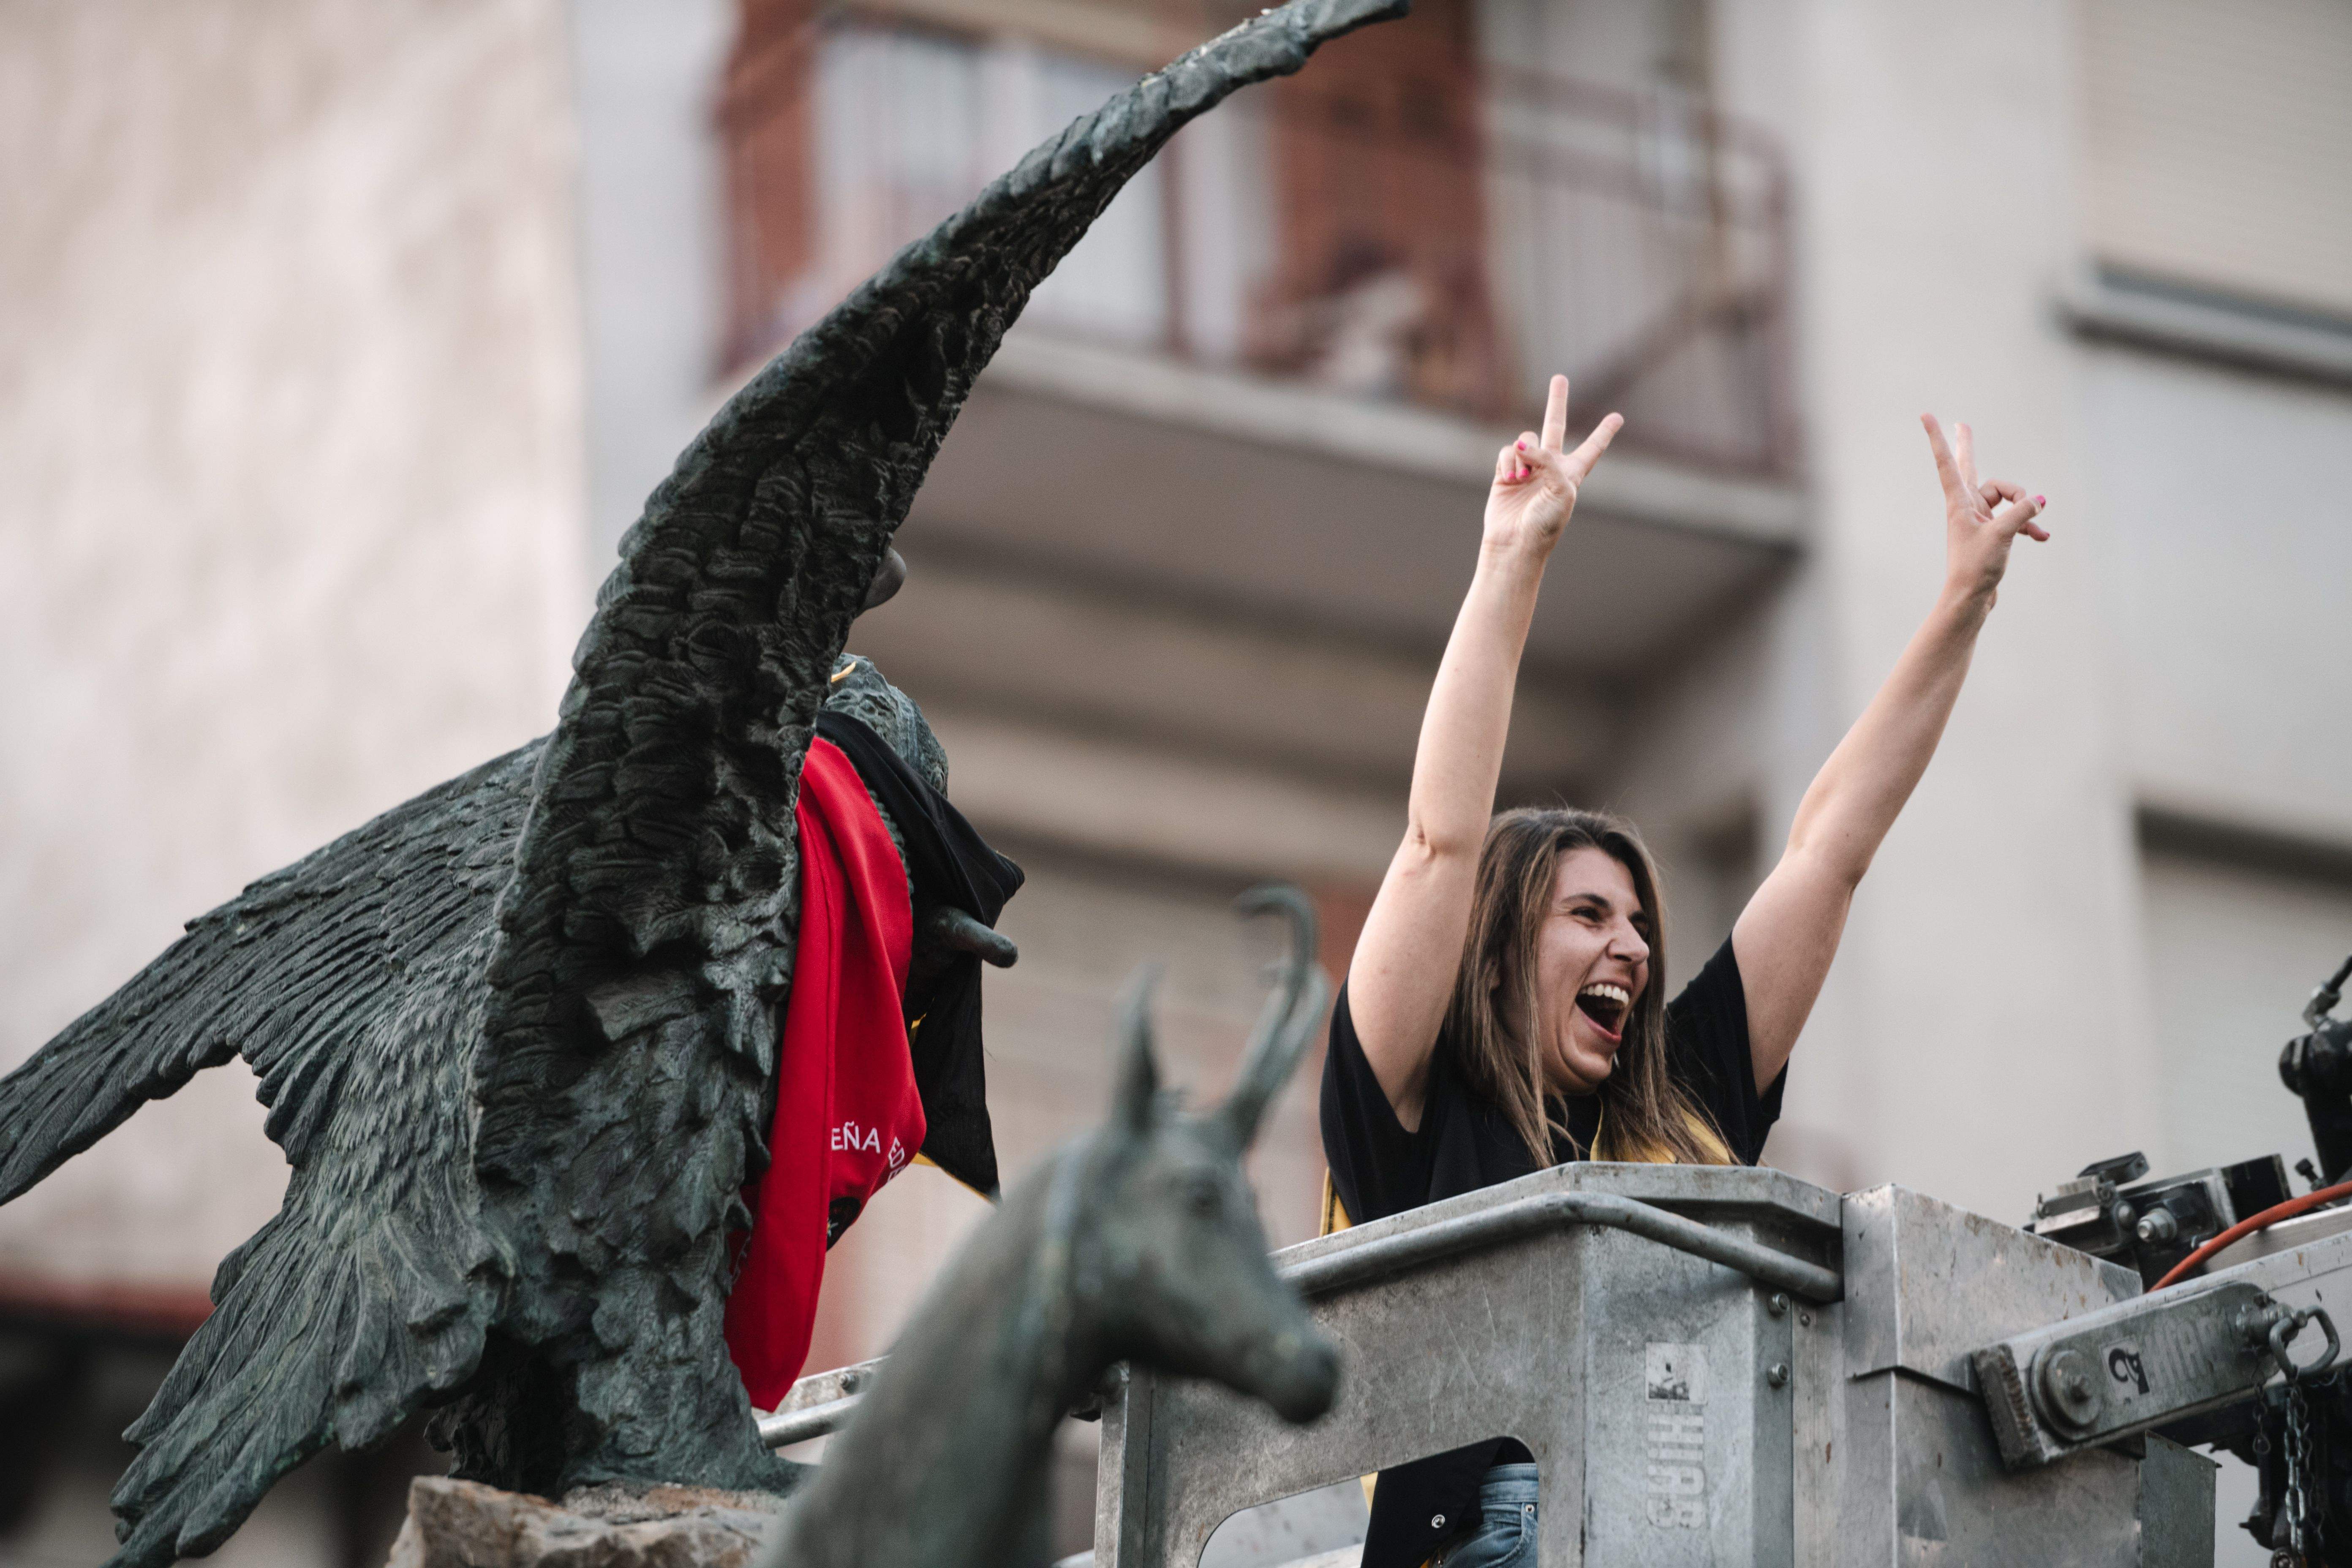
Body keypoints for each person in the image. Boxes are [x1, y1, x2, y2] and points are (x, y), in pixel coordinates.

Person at [1320, 374, 2049, 1568]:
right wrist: (1512, 560)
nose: (1634, 947)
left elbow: (1827, 851)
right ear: (1494, 958)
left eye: (1640, 923)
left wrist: (1965, 596)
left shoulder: (1682, 1103)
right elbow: (1439, 842)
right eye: (1588, 915)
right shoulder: (1413, 1111)